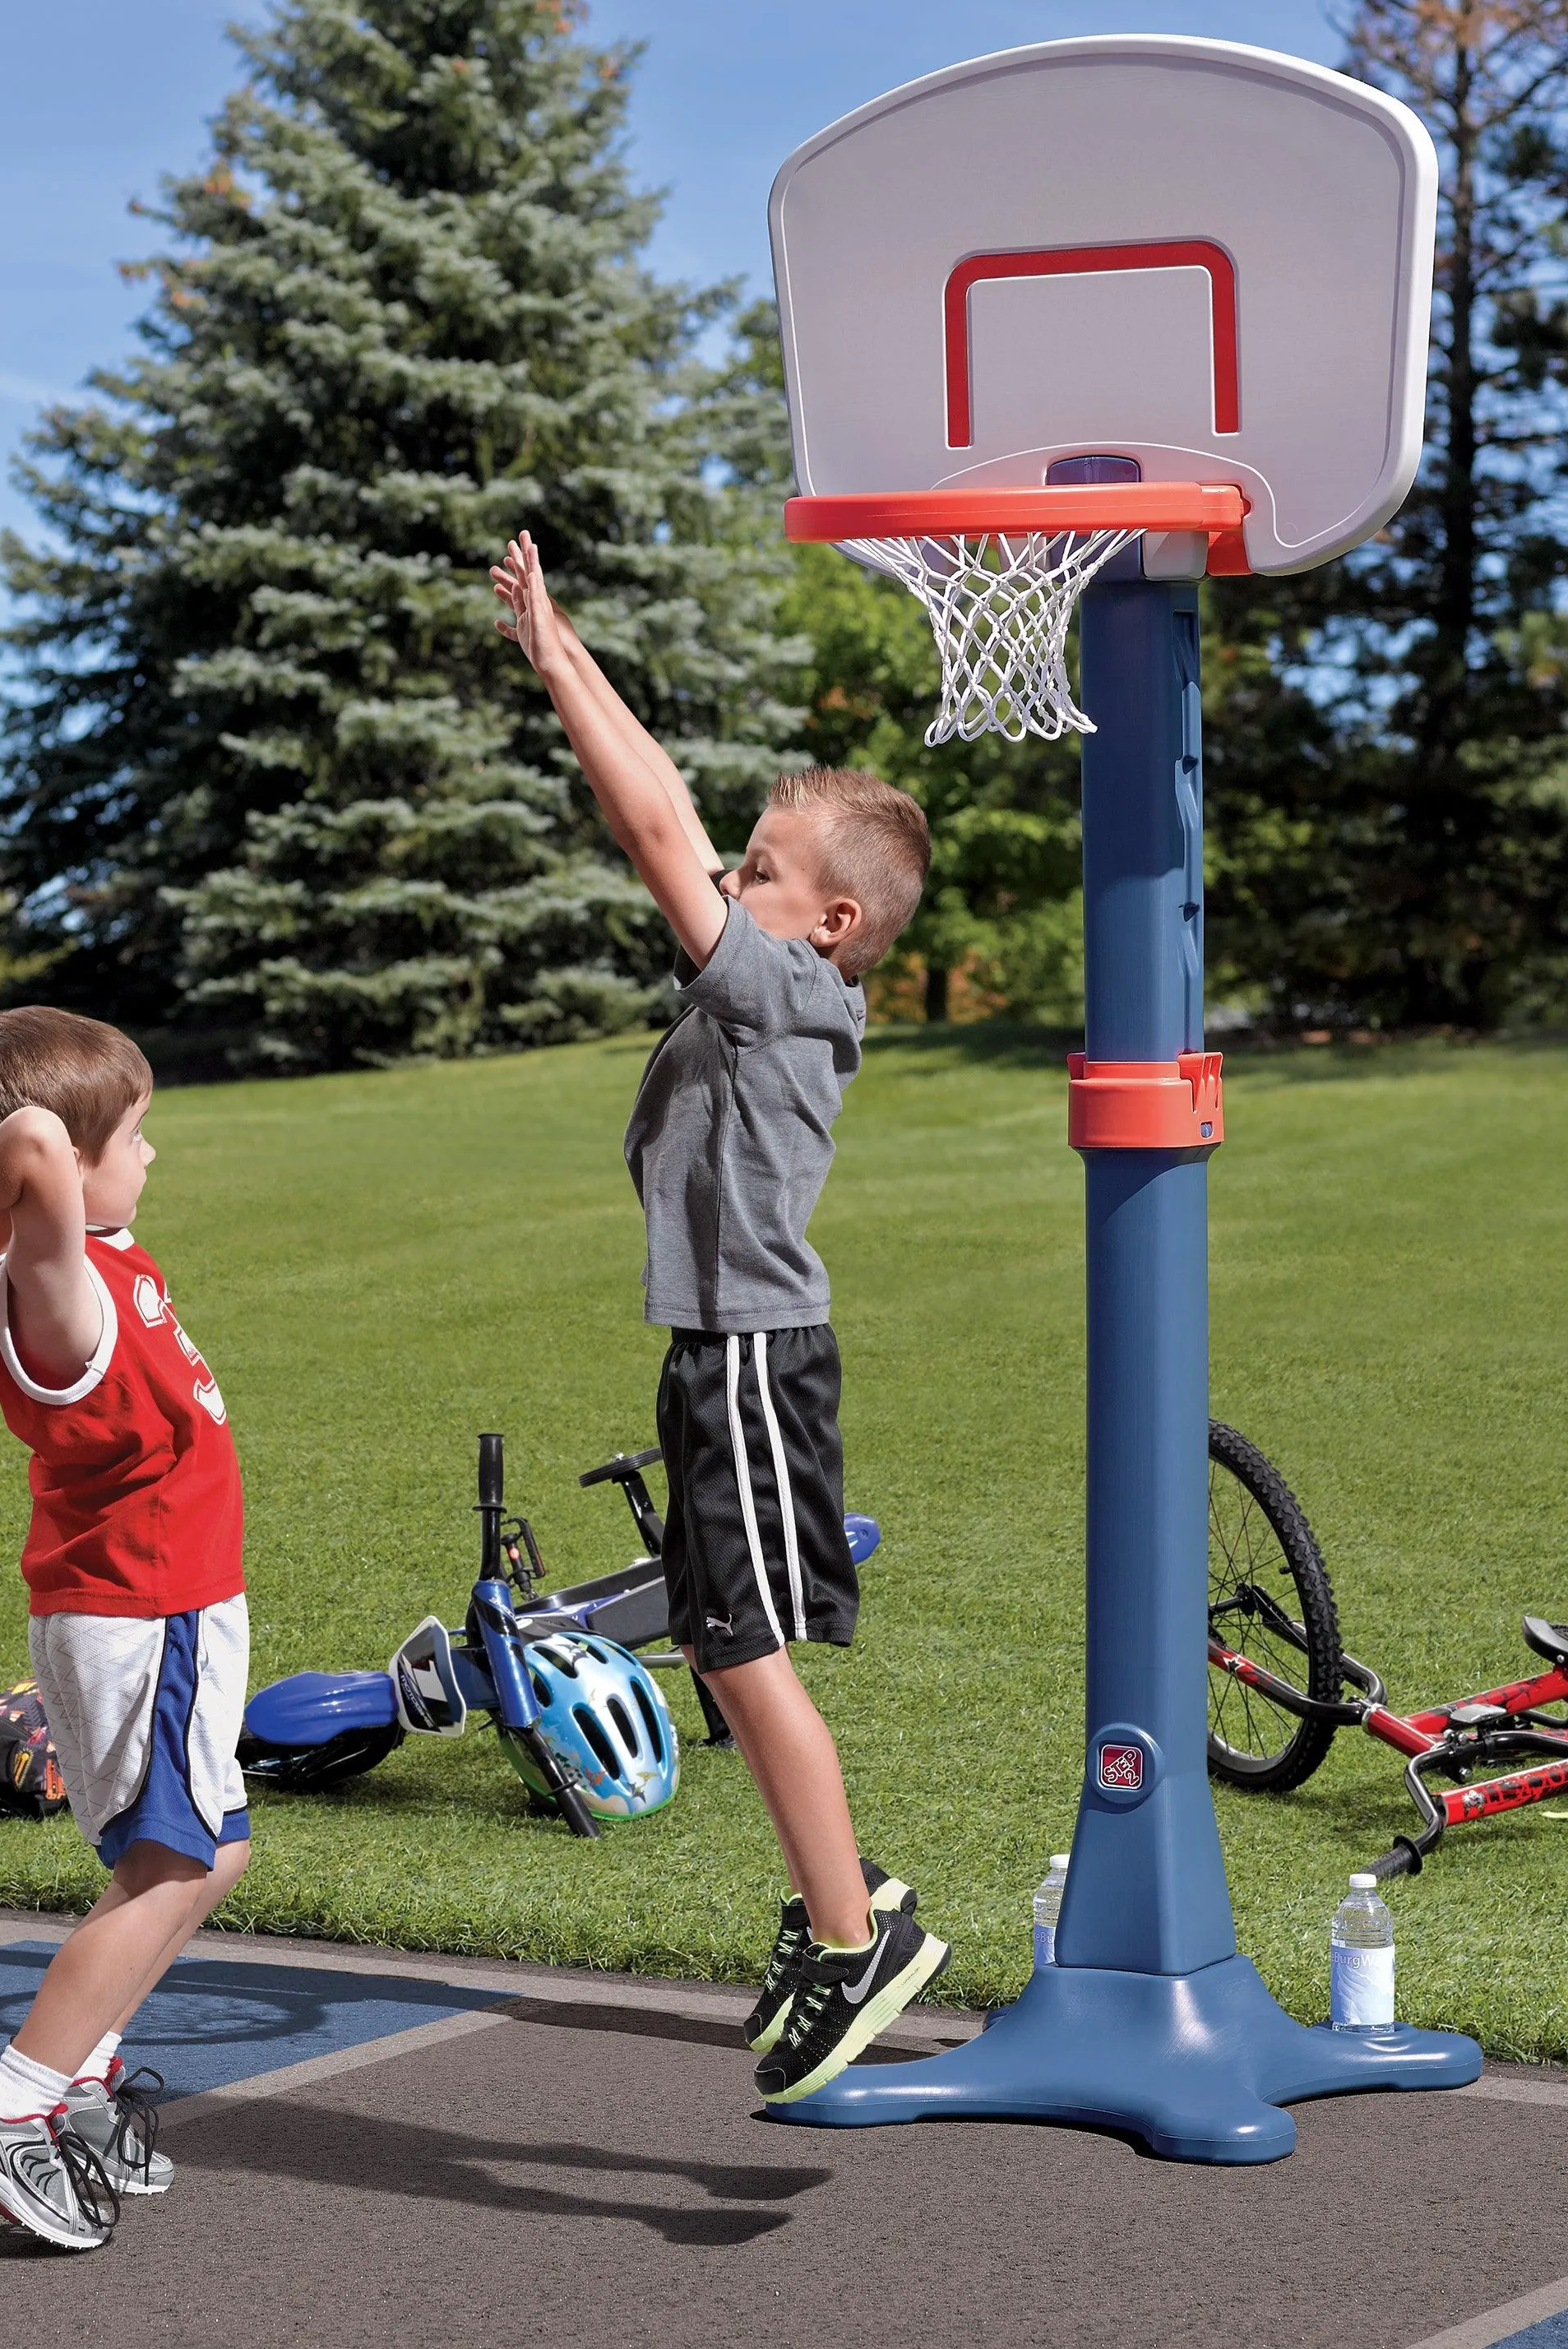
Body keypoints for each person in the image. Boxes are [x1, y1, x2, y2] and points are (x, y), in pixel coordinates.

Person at [492, 530, 949, 2103]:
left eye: (764, 872)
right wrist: (562, 652)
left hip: (755, 1353)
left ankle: (856, 1940)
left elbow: (650, 826)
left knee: (745, 1653)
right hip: (718, 1354)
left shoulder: (781, 991)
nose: (732, 880)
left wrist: (554, 664)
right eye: (745, 863)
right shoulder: (765, 984)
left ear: (828, 923)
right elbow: (678, 814)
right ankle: (854, 1897)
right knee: (714, 1639)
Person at [0, 1007, 250, 2249]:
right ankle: (14, 2103)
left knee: (209, 1855)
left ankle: (79, 2084)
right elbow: (34, 1133)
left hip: (147, 1612)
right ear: (68, 1173)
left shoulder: (66, 1254)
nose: (150, 1155)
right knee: (172, 1870)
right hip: (151, 1614)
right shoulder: (57, 1291)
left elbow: (12, 1125)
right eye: (135, 1136)